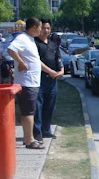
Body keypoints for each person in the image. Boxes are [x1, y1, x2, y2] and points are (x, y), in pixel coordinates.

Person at [7, 17, 44, 149]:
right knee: (28, 112)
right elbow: (11, 49)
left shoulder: (30, 40)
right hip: (26, 82)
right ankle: (30, 139)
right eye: (40, 27)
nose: (41, 30)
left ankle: (27, 137)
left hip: (32, 82)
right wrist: (21, 63)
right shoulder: (22, 38)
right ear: (33, 27)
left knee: (29, 111)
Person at [33, 19, 64, 143]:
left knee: (50, 106)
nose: (46, 30)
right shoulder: (34, 44)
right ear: (39, 29)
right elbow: (36, 61)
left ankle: (47, 130)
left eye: (48, 28)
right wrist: (50, 71)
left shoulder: (53, 44)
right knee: (38, 107)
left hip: (52, 81)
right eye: (44, 28)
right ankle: (37, 132)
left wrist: (61, 70)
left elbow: (58, 58)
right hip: (40, 80)